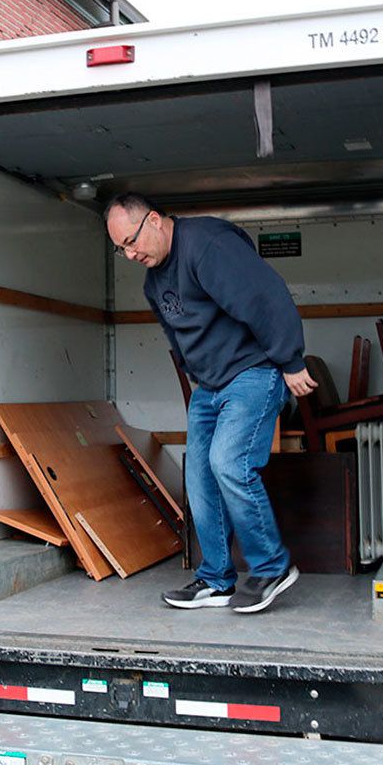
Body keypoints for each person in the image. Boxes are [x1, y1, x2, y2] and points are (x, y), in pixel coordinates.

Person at [104, 194, 317, 614]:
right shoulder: (154, 281)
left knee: (228, 462)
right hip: (210, 386)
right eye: (121, 249)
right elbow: (175, 333)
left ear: (154, 220)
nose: (130, 254)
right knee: (199, 477)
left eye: (132, 241)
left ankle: (272, 567)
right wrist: (192, 372)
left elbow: (265, 296)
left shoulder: (207, 245)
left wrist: (291, 360)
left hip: (253, 372)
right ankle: (217, 579)